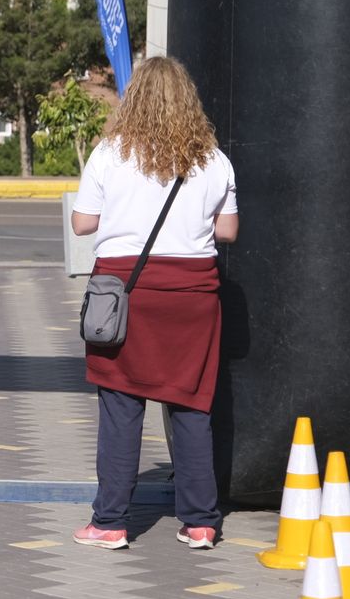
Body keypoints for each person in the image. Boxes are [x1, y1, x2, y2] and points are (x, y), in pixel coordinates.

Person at [69, 56, 238, 551]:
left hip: (125, 295)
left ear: (134, 98)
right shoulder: (214, 160)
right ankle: (201, 522)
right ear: (188, 100)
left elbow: (82, 223)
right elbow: (228, 231)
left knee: (121, 407)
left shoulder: (109, 153)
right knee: (192, 405)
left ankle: (110, 523)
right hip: (193, 297)